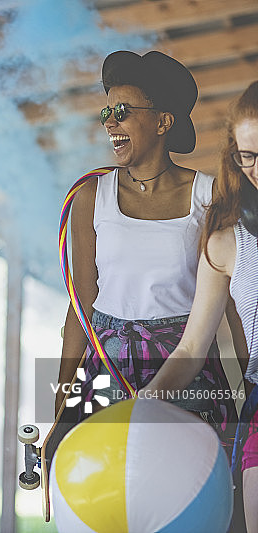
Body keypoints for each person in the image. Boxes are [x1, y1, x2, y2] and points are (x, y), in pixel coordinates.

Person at [56, 50, 238, 443]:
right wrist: (60, 402)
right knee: (97, 491)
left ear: (163, 121)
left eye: (122, 110)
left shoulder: (210, 195)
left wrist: (253, 389)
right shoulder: (91, 195)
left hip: (187, 368)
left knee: (190, 489)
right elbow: (81, 304)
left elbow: (237, 304)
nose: (111, 123)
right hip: (105, 370)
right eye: (106, 113)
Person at [142, 81, 258, 531]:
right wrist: (147, 402)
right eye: (247, 156)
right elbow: (191, 348)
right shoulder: (227, 245)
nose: (255, 169)